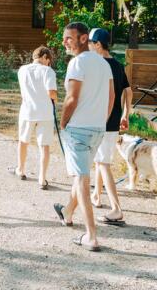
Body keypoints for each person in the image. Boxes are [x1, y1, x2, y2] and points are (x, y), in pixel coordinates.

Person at [53, 22, 114, 252]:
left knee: (81, 180)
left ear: (83, 38)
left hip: (78, 129)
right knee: (82, 176)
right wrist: (102, 120)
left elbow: (72, 98)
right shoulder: (103, 63)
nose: (64, 42)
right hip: (97, 129)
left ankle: (91, 236)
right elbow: (111, 96)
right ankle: (67, 212)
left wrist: (62, 123)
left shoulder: (77, 63)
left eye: (68, 38)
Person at [88, 28, 132, 225]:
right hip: (113, 121)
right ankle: (97, 196)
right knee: (101, 161)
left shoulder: (97, 65)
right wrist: (125, 114)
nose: (88, 46)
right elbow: (128, 91)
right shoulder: (118, 65)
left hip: (101, 121)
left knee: (103, 164)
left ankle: (116, 209)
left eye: (90, 43)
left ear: (98, 44)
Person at [9, 46, 57, 189]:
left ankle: (20, 169)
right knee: (44, 145)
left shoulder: (22, 70)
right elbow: (52, 93)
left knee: (23, 141)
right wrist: (56, 99)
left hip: (27, 110)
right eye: (49, 61)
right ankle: (42, 178)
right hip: (45, 112)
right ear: (45, 57)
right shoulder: (48, 71)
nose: (49, 63)